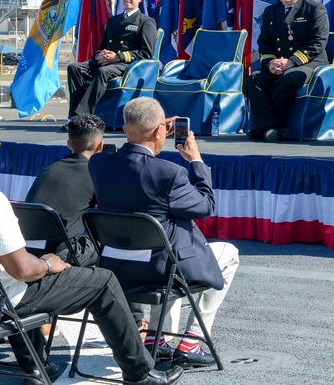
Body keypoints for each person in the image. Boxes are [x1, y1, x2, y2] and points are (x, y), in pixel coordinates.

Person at [0, 118, 182, 385]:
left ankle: (35, 368)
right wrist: (50, 265)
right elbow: (23, 270)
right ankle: (140, 373)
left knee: (11, 279)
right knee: (102, 281)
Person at [89, 98, 239, 368]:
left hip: (115, 269)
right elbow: (205, 206)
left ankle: (156, 340)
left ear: (125, 129)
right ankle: (192, 339)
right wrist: (196, 161)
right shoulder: (170, 173)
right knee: (229, 253)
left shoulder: (99, 165)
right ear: (161, 131)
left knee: (163, 244)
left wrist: (154, 128)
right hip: (158, 271)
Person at [246, 0, 329, 142]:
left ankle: (266, 127)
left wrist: (291, 62)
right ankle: (270, 126)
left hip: (309, 63)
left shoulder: (314, 9)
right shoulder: (271, 11)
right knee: (254, 79)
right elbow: (264, 42)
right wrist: (270, 63)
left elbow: (318, 42)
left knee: (288, 79)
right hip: (278, 64)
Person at [65, 0, 157, 125]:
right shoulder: (113, 21)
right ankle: (72, 115)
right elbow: (101, 46)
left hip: (126, 65)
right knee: (74, 68)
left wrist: (118, 57)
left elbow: (146, 53)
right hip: (107, 61)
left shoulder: (145, 22)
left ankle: (82, 116)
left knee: (103, 72)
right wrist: (100, 55)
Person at [24, 113, 105, 266]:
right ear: (100, 146)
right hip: (60, 254)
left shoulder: (49, 168)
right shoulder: (95, 173)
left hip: (27, 252)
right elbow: (108, 213)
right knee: (108, 246)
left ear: (69, 144)